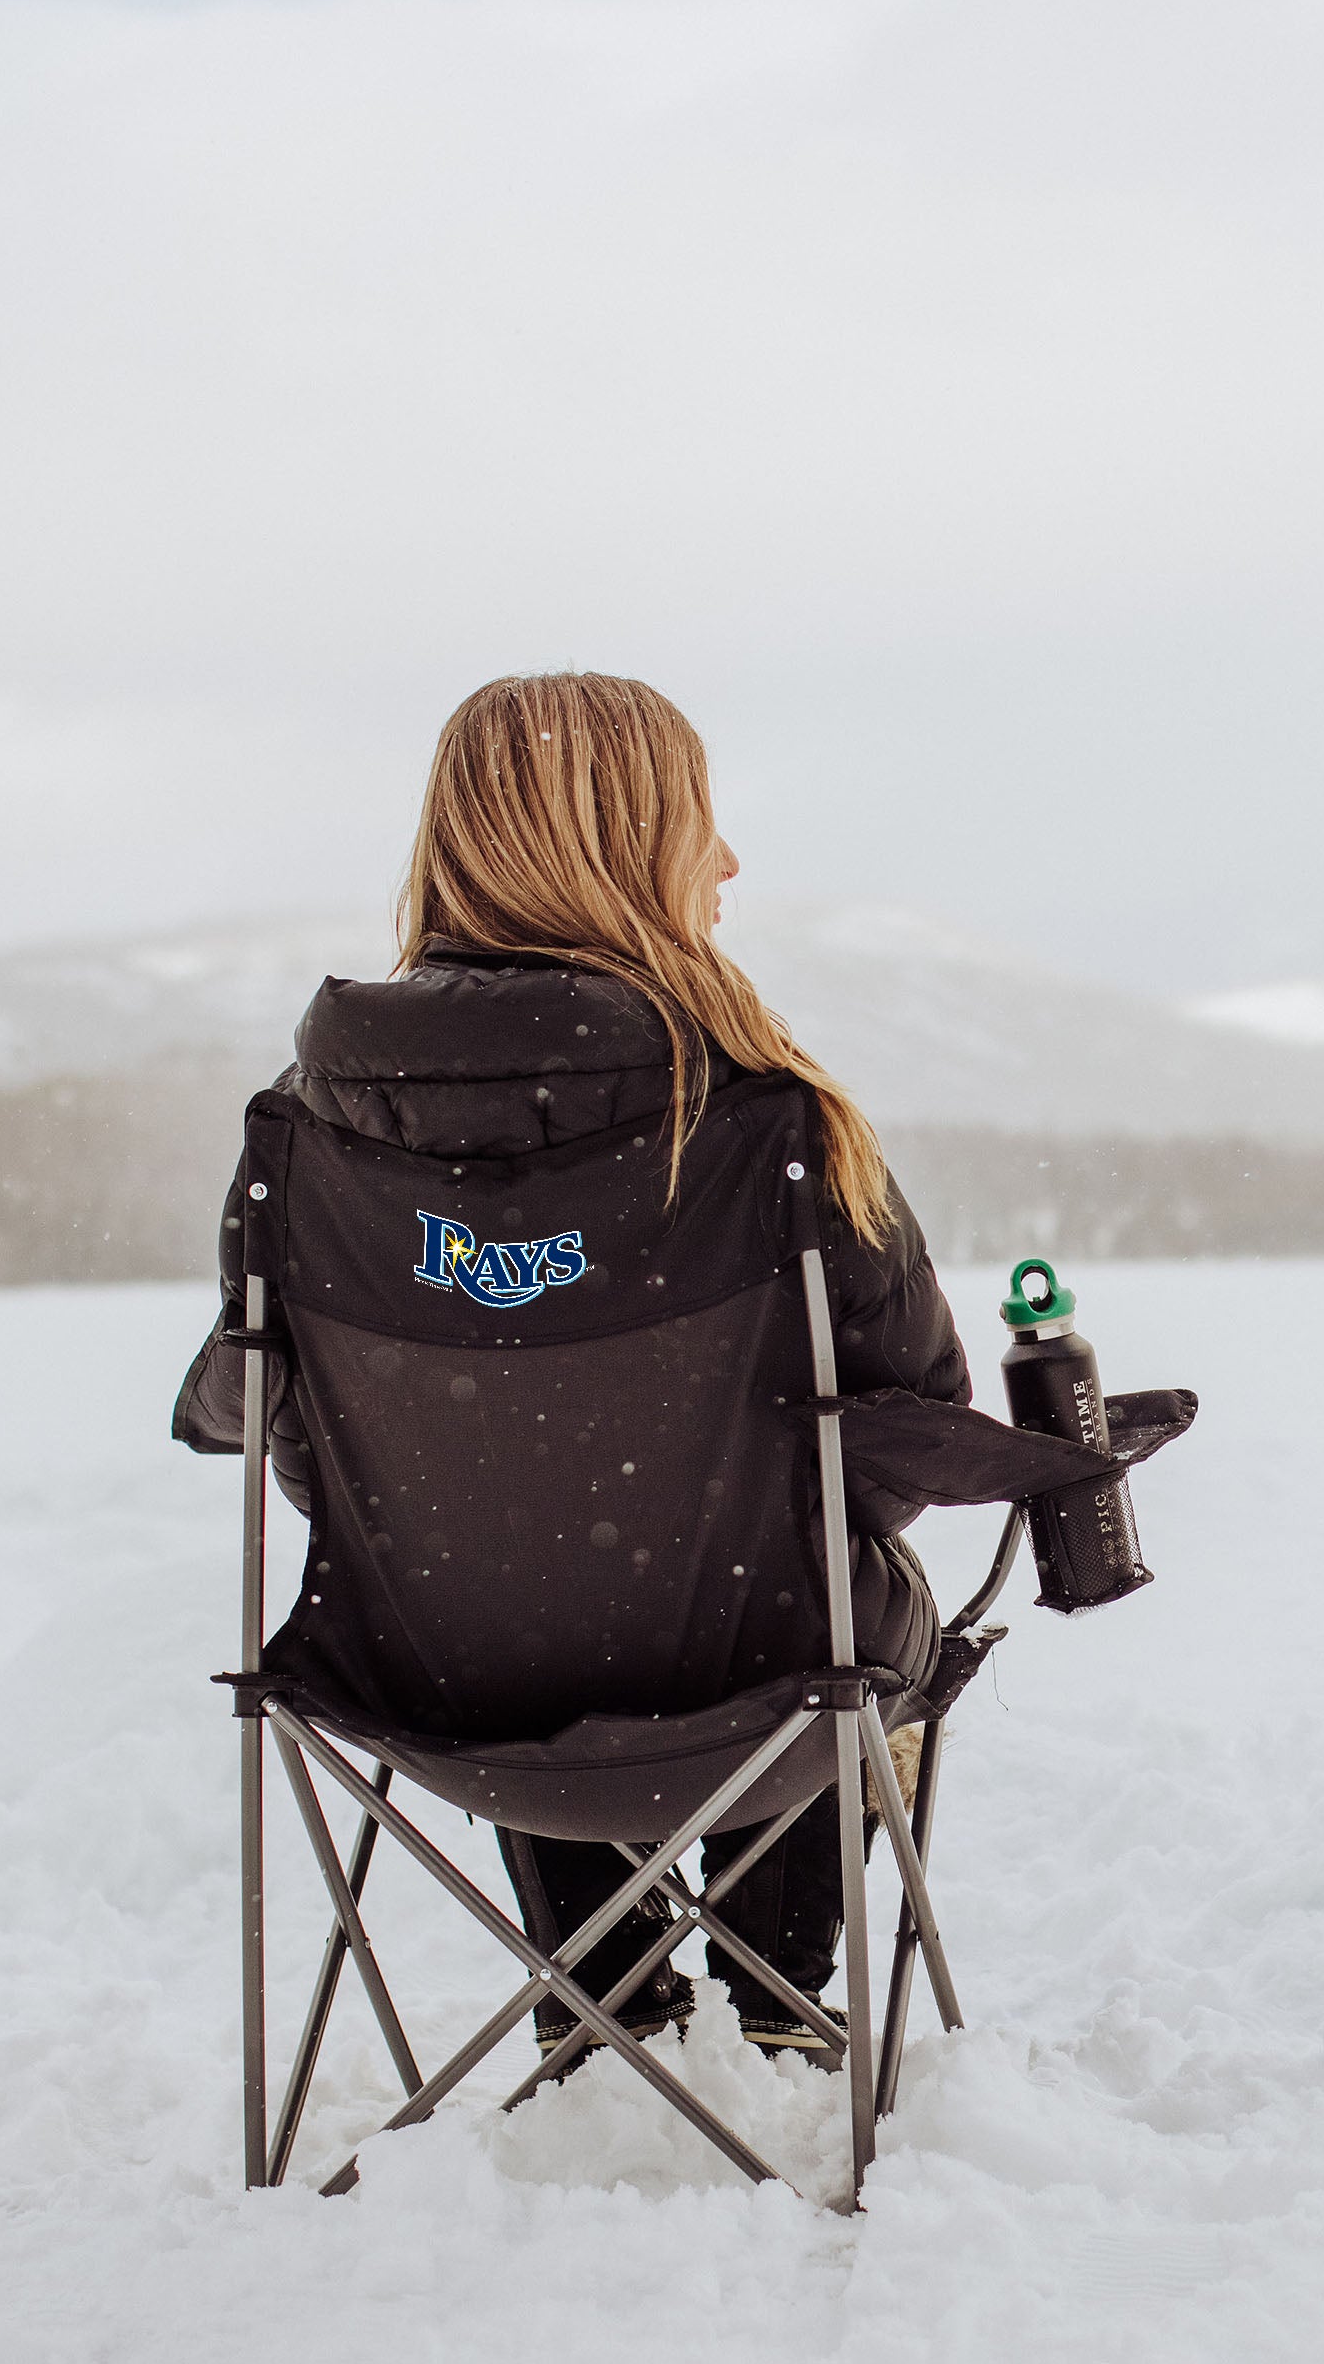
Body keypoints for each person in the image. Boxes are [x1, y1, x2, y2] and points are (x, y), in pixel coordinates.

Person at [174, 671, 971, 2066]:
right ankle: (776, 2003)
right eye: (700, 824)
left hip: (443, 1699)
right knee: (807, 1582)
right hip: (770, 1692)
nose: (727, 864)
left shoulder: (305, 1138)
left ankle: (602, 2003)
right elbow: (905, 1434)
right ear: (623, 846)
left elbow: (303, 1458)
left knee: (510, 1568)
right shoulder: (767, 1122)